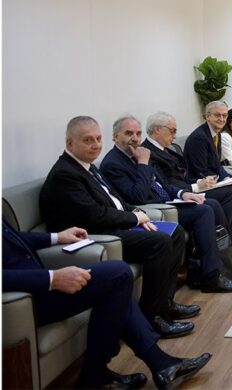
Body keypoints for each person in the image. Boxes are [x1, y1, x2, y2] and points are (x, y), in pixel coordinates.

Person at [3, 222, 212, 389]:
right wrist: (51, 278)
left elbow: (13, 238)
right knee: (118, 273)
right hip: (22, 302)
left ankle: (157, 366)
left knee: (117, 281)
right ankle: (99, 374)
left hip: (37, 286)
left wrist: (57, 237)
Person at [39, 116, 195, 339]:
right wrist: (134, 219)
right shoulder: (65, 174)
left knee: (175, 232)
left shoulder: (88, 167)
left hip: (111, 226)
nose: (95, 145)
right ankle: (151, 317)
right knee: (159, 242)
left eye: (98, 139)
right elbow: (95, 215)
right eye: (88, 140)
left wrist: (137, 212)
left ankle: (164, 304)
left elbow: (116, 200)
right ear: (70, 143)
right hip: (93, 235)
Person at [101, 115, 232, 291]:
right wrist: (143, 164)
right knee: (204, 211)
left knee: (211, 204)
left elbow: (162, 183)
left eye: (138, 133)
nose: (135, 138)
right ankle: (211, 277)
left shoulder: (138, 154)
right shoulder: (114, 163)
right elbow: (137, 197)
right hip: (154, 210)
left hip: (169, 201)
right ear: (115, 136)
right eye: (128, 133)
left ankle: (229, 259)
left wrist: (183, 193)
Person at [141, 111, 232, 276]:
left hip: (187, 189)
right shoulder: (148, 154)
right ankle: (231, 254)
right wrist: (195, 186)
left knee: (230, 190)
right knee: (218, 200)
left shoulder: (166, 149)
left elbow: (183, 175)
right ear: (157, 130)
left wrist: (198, 184)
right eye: (172, 131)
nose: (175, 135)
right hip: (177, 197)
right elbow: (167, 183)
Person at [183, 101, 232, 225]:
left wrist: (227, 178)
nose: (222, 119)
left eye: (224, 115)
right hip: (202, 182)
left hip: (214, 178)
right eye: (217, 115)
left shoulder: (216, 135)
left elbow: (217, 164)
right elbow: (200, 170)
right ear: (208, 117)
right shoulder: (199, 137)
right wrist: (222, 181)